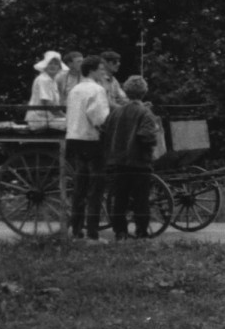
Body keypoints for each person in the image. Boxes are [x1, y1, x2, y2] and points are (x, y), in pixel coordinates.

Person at [104, 75, 163, 240]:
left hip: (117, 162)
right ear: (144, 92)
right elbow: (147, 137)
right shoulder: (146, 113)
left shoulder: (116, 112)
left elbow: (105, 131)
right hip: (139, 163)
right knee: (141, 201)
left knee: (119, 200)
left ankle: (120, 232)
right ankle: (141, 232)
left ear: (127, 92)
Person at [65, 55, 112, 239]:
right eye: (101, 69)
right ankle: (93, 233)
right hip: (92, 141)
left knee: (80, 187)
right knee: (96, 189)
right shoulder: (97, 90)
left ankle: (77, 230)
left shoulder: (75, 90)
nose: (103, 72)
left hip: (74, 139)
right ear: (92, 70)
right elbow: (99, 117)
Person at [25, 51, 65, 129]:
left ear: (59, 67)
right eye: (50, 63)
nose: (53, 66)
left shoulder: (52, 80)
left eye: (56, 64)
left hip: (48, 118)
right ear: (45, 66)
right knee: (74, 124)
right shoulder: (44, 80)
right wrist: (65, 115)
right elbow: (47, 103)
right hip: (39, 120)